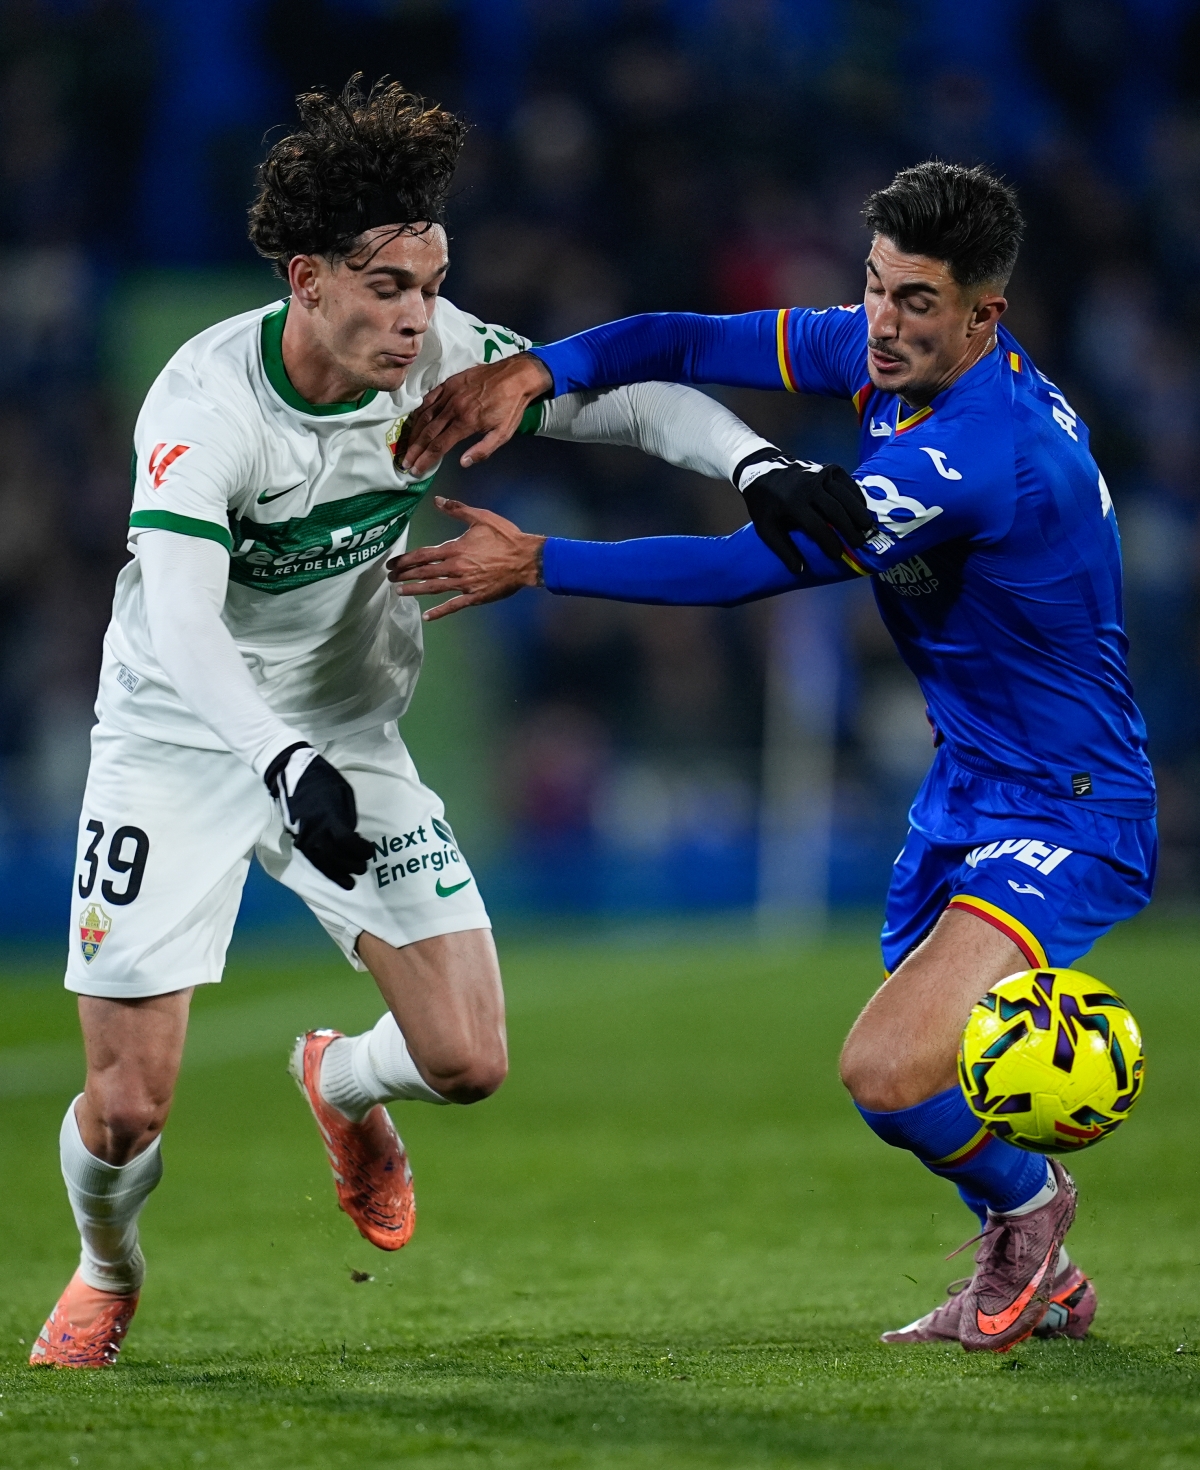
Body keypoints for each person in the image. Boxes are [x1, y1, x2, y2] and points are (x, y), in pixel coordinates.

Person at [32, 77, 870, 1369]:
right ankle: (106, 1267)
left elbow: (634, 398)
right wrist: (276, 757)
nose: (416, 317)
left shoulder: (444, 360)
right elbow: (186, 622)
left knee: (468, 1059)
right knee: (129, 1104)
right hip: (179, 736)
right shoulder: (207, 409)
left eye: (430, 286)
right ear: (306, 279)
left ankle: (337, 1080)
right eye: (387, 288)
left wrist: (755, 464)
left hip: (341, 730)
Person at [389, 161, 1157, 1352]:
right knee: (924, 1078)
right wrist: (541, 370)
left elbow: (740, 572)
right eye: (875, 287)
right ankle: (1041, 1275)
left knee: (889, 1072)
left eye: (915, 302)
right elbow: (688, 339)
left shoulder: (975, 455)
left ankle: (1031, 1207)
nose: (881, 322)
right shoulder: (885, 353)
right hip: (968, 784)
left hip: (1068, 807)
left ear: (985, 315)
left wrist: (541, 561)